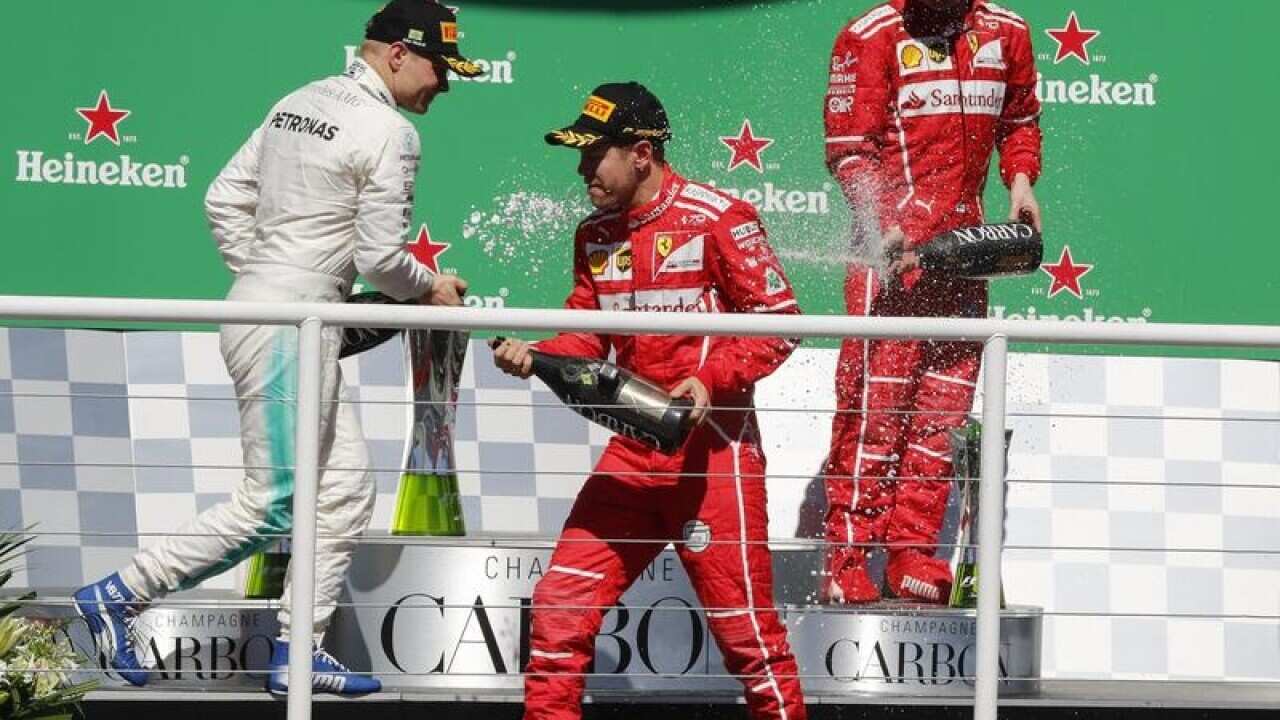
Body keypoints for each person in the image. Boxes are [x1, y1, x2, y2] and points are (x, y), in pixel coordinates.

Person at [73, 0, 477, 695]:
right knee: (275, 502)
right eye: (441, 69)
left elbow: (222, 199)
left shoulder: (297, 100)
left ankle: (296, 655)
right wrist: (430, 288)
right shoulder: (392, 131)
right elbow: (382, 260)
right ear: (399, 54)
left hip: (276, 312)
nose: (445, 85)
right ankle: (120, 594)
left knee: (344, 491)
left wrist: (266, 278)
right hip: (289, 323)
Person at [492, 83, 807, 720]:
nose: (582, 170)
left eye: (594, 155)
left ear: (641, 153)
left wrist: (710, 379)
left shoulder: (720, 217)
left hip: (713, 459)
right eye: (580, 156)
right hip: (633, 456)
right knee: (558, 610)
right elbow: (587, 336)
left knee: (748, 638)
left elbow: (781, 321)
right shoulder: (594, 234)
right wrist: (538, 354)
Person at [821, 0, 1043, 604]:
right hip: (890, 259)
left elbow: (1021, 120)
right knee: (874, 411)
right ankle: (848, 556)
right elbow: (850, 151)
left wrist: (1021, 181)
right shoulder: (869, 35)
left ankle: (911, 553)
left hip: (965, 255)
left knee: (941, 417)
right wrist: (880, 221)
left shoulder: (1007, 31)